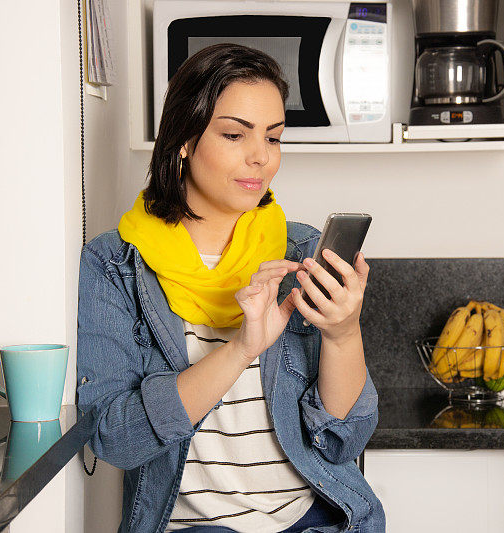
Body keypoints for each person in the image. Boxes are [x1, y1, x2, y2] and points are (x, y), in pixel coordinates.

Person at [76, 43, 385, 533]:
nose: (260, 157)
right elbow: (116, 440)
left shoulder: (301, 251)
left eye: (274, 137)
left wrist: (343, 334)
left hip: (312, 522)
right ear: (183, 138)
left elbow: (342, 442)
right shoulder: (116, 265)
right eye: (234, 134)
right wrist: (241, 348)